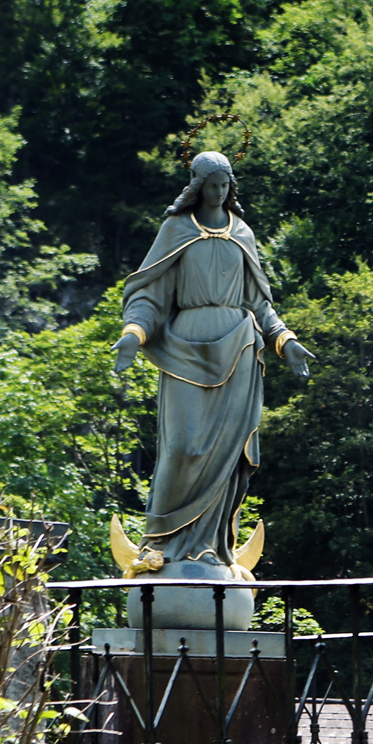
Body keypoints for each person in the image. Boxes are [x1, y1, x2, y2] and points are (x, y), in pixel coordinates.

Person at [113, 152, 313, 572]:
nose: (219, 192)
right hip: (185, 349)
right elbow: (151, 295)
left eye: (225, 185)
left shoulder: (242, 232)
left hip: (239, 349)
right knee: (183, 447)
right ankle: (161, 545)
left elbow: (259, 301)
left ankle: (212, 549)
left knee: (228, 456)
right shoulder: (177, 230)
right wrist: (134, 334)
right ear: (197, 185)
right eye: (212, 185)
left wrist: (285, 340)